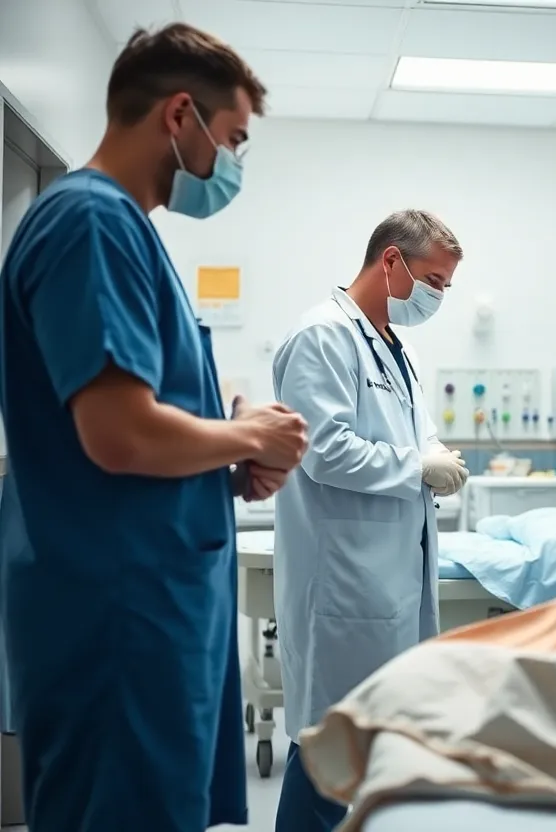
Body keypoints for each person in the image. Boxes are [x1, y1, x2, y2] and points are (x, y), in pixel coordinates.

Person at [0, 24, 310, 831]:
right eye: (234, 138)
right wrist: (248, 441)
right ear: (181, 115)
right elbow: (121, 434)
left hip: (148, 609)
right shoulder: (90, 224)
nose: (233, 162)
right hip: (116, 618)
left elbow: (149, 418)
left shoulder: (126, 231)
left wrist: (234, 443)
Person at [272, 209, 469, 831]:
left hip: (389, 577)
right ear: (391, 262)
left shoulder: (390, 345)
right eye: (434, 280)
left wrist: (432, 455)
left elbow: (412, 435)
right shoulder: (323, 336)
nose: (438, 296)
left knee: (363, 748)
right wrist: (418, 467)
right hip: (343, 582)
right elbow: (324, 450)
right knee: (330, 747)